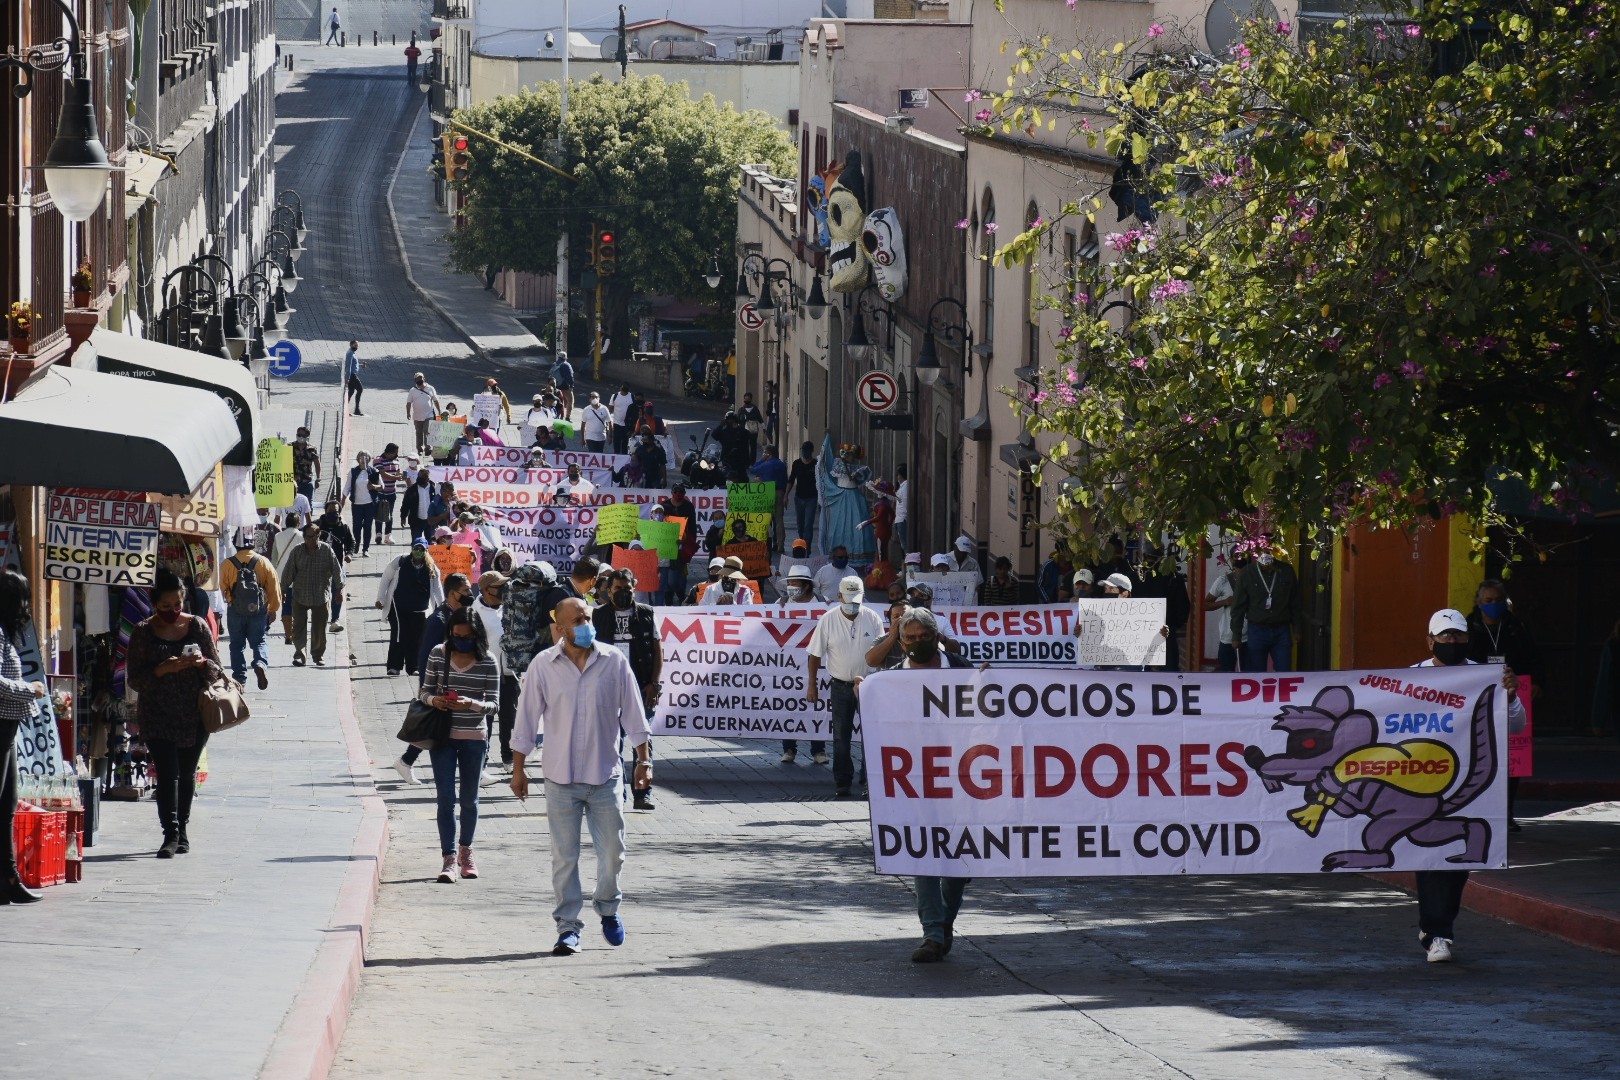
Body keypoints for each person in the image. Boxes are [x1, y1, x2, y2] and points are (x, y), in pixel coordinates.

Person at [510, 598, 653, 955]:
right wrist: (518, 769)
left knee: (614, 853)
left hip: (604, 775)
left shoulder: (614, 661)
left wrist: (643, 760)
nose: (585, 624)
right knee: (565, 857)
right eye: (577, 620)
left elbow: (634, 715)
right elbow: (526, 720)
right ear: (560, 627)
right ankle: (568, 927)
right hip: (560, 778)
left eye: (588, 617)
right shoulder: (543, 665)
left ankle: (607, 907)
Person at [1409, 607, 1524, 963]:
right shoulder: (1408, 677)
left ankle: (1435, 927)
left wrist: (1511, 694)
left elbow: (1516, 725)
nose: (1452, 641)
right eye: (1445, 636)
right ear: (1430, 641)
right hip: (1420, 783)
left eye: (1458, 635)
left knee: (1459, 860)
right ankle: (1438, 933)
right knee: (1428, 856)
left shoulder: (1486, 676)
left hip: (1473, 782)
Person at [881, 607, 976, 962]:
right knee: (922, 853)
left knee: (957, 861)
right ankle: (933, 934)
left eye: (924, 637)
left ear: (936, 637)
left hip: (965, 779)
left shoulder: (962, 668)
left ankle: (944, 923)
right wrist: (866, 695)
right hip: (915, 782)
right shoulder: (890, 679)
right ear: (901, 642)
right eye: (910, 639)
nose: (917, 643)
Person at [126, 570, 222, 857]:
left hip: (194, 713)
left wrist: (201, 663)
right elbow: (134, 679)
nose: (172, 612)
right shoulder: (143, 632)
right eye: (165, 607)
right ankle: (170, 833)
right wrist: (162, 669)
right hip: (157, 714)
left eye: (177, 606)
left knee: (187, 772)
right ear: (154, 603)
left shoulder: (197, 627)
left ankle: (183, 830)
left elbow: (217, 671)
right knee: (168, 774)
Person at [419, 607, 500, 883]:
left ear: (476, 635)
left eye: (467, 636)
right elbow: (424, 691)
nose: (461, 641)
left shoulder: (488, 660)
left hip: (474, 738)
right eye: (456, 636)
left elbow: (494, 704)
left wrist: (472, 704)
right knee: (445, 798)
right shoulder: (439, 654)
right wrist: (435, 701)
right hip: (443, 736)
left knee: (469, 800)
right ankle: (449, 857)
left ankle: (467, 851)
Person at [1466, 579, 1541, 830]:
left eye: (1498, 600)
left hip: (1512, 698)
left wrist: (1537, 682)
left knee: (1511, 758)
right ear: (1479, 603)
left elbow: (1533, 657)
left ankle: (1506, 813)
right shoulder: (1469, 628)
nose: (1494, 605)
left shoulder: (1516, 627)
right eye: (1488, 601)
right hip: (1478, 701)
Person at [806, 577, 885, 798]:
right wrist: (812, 685)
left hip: (869, 686)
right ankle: (842, 780)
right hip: (840, 685)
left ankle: (869, 780)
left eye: (856, 599)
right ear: (839, 597)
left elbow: (881, 652)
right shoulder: (828, 620)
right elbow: (814, 655)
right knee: (841, 737)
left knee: (871, 735)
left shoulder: (873, 617)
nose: (852, 604)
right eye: (848, 599)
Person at [593, 569, 661, 811]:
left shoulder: (646, 614)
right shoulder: (597, 615)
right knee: (613, 742)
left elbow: (657, 649)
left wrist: (654, 683)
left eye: (627, 588)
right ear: (608, 590)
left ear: (635, 588)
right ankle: (617, 794)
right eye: (618, 588)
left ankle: (643, 793)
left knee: (642, 740)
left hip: (641, 687)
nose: (623, 592)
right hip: (608, 688)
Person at [0, 570, 47, 902]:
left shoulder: (4, 635)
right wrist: (29, 689)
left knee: (7, 804)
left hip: (9, 727)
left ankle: (9, 878)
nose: (26, 607)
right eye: (23, 599)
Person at [776, 564, 829, 765]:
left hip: (817, 664)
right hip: (789, 666)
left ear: (806, 585)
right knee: (789, 706)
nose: (791, 586)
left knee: (817, 707)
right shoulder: (781, 604)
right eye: (789, 582)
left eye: (795, 582)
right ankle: (789, 748)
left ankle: (818, 750)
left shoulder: (822, 604)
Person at [219, 530, 281, 690]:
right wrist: (273, 609)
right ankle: (260, 663)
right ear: (253, 543)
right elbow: (274, 587)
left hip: (235, 610)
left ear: (235, 543)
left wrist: (229, 598)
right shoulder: (263, 562)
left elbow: (221, 587)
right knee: (259, 641)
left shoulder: (227, 564)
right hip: (258, 610)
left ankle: (240, 678)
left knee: (236, 645)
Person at [377, 539, 445, 680]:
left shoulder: (432, 567)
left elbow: (438, 589)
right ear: (412, 549)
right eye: (416, 549)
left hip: (420, 608)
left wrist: (443, 606)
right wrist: (381, 599)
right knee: (399, 634)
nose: (418, 552)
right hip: (398, 606)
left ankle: (413, 667)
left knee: (416, 638)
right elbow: (386, 578)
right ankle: (394, 667)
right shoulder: (400, 561)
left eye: (421, 549)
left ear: (426, 551)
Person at [1228, 540, 1300, 673]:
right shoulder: (1247, 573)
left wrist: (1297, 628)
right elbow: (1238, 607)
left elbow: (1295, 601)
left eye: (1269, 550)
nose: (1266, 553)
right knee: (1256, 673)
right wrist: (1236, 636)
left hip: (1281, 630)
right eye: (1262, 550)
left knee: (1284, 672)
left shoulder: (1286, 571)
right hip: (1257, 630)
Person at [470, 571, 518, 769]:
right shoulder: (475, 611)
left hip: (509, 673)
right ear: (486, 590)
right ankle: (483, 761)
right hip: (486, 675)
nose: (504, 589)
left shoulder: (509, 606)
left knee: (509, 718)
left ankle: (508, 757)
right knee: (486, 719)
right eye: (499, 586)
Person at [281, 525, 343, 667]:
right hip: (300, 595)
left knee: (319, 629)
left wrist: (339, 590)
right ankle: (300, 654)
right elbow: (288, 572)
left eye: (313, 536)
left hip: (321, 596)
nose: (310, 540)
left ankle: (318, 655)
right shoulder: (297, 551)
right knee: (298, 627)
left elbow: (337, 570)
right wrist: (283, 590)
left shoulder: (327, 550)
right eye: (308, 537)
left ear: (318, 535)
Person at [818, 436, 873, 559]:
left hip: (854, 497)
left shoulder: (857, 469)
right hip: (840, 497)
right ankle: (836, 552)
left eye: (852, 456)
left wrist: (851, 471)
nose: (851, 458)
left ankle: (857, 552)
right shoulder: (838, 464)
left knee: (855, 525)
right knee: (838, 525)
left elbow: (854, 478)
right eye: (849, 456)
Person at [1204, 556, 1247, 672]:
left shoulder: (1254, 580)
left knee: (1249, 675)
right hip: (1227, 637)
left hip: (1249, 637)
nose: (1240, 572)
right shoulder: (1223, 581)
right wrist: (1225, 601)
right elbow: (1204, 605)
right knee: (1226, 674)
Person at [748, 445, 789, 551]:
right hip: (780, 492)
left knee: (766, 518)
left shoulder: (766, 464)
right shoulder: (782, 465)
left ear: (768, 454)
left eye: (765, 453)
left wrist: (762, 459)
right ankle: (780, 544)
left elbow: (753, 469)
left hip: (767, 492)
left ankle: (766, 542)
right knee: (779, 520)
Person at [344, 450, 381, 556]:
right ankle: (356, 543)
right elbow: (347, 487)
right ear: (358, 459)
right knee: (356, 526)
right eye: (361, 457)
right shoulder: (353, 471)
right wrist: (342, 500)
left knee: (368, 526)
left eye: (365, 457)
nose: (363, 459)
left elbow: (381, 486)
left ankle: (365, 549)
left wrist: (373, 487)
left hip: (370, 504)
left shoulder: (373, 471)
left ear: (369, 459)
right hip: (357, 504)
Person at [403, 470, 448, 544]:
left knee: (432, 543)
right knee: (416, 543)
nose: (419, 479)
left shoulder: (434, 488)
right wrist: (403, 517)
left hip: (431, 522)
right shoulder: (411, 490)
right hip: (416, 521)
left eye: (422, 477)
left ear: (427, 478)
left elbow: (438, 502)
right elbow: (406, 504)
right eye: (419, 477)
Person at [787, 442, 818, 548]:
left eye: (807, 450)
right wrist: (786, 495)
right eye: (803, 450)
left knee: (808, 525)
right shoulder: (796, 464)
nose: (805, 452)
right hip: (799, 498)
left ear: (812, 451)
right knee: (800, 525)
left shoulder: (816, 464)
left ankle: (807, 548)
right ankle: (802, 544)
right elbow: (791, 480)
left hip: (812, 498)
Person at [406, 372, 442, 455]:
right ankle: (419, 449)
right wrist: (408, 413)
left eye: (421, 378)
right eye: (417, 379)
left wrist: (439, 410)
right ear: (415, 380)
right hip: (417, 416)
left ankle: (428, 448)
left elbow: (435, 400)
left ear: (424, 378)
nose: (419, 380)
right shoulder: (412, 390)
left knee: (427, 431)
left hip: (429, 415)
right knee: (419, 432)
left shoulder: (430, 388)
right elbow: (408, 403)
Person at [713, 412, 753, 479]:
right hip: (727, 458)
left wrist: (738, 427)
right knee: (727, 478)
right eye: (728, 420)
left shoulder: (741, 431)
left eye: (732, 419)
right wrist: (720, 426)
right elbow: (714, 435)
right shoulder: (724, 431)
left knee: (742, 478)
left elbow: (748, 436)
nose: (730, 421)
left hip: (740, 459)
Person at [291, 427, 320, 505]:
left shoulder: (312, 449)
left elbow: (317, 464)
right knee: (292, 504)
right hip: (292, 482)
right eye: (299, 435)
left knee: (307, 504)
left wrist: (318, 478)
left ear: (307, 437)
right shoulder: (290, 447)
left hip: (307, 481)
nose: (300, 437)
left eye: (303, 436)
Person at [609, 383, 637, 454]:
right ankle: (617, 458)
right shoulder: (615, 396)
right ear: (620, 387)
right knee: (616, 444)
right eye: (623, 386)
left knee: (626, 444)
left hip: (628, 425)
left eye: (626, 387)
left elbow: (635, 410)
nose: (624, 388)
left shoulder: (632, 397)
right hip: (617, 424)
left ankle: (624, 460)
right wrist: (608, 422)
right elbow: (610, 409)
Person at [736, 393, 765, 460]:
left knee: (753, 446)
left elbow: (760, 418)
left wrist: (764, 428)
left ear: (751, 399)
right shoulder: (741, 410)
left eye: (748, 399)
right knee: (744, 446)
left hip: (753, 431)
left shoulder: (755, 409)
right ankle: (745, 460)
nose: (746, 401)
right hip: (743, 431)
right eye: (745, 399)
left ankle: (752, 461)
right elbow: (737, 420)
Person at [551, 350, 576, 420]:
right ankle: (567, 417)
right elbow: (570, 376)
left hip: (555, 386)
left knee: (556, 400)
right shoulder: (566, 365)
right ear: (565, 358)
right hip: (565, 386)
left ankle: (556, 415)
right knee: (570, 401)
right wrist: (571, 386)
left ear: (558, 357)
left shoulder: (554, 364)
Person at [343, 340, 364, 415]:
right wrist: (347, 378)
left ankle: (345, 409)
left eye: (357, 346)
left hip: (351, 375)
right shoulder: (350, 354)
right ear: (351, 345)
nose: (356, 347)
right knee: (360, 389)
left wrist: (361, 365)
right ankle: (356, 409)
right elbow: (348, 366)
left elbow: (354, 364)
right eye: (355, 345)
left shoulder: (351, 353)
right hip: (352, 375)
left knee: (351, 391)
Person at [892, 464, 909, 556]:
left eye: (898, 474)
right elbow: (897, 499)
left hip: (903, 519)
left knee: (905, 546)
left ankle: (910, 567)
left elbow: (906, 503)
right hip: (899, 519)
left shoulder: (905, 487)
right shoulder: (901, 486)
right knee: (902, 545)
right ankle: (905, 567)